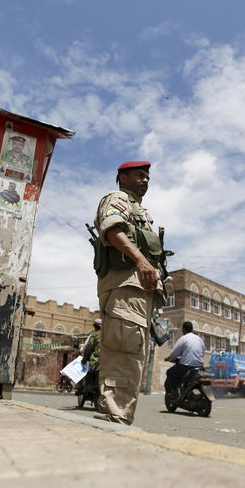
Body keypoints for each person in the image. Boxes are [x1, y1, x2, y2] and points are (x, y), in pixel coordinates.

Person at [92, 160, 166, 425]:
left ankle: (119, 416)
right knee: (124, 352)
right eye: (139, 175)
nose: (145, 180)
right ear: (122, 177)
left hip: (137, 290)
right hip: (126, 285)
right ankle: (115, 416)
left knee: (132, 354)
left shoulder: (140, 210)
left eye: (147, 177)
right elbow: (112, 229)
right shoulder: (118, 198)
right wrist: (142, 261)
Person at [164, 321, 205, 395]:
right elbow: (202, 352)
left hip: (186, 366)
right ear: (192, 329)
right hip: (199, 367)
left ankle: (173, 394)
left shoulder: (183, 339)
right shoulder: (200, 339)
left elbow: (175, 353)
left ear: (183, 329)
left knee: (170, 372)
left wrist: (169, 358)